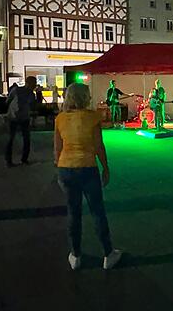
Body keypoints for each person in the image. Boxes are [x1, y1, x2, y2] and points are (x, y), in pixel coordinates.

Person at [54, 83, 122, 270]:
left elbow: (57, 149)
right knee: (97, 211)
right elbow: (99, 146)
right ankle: (108, 254)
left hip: (66, 168)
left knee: (73, 213)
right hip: (87, 168)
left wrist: (59, 171)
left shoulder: (60, 119)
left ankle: (75, 255)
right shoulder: (93, 117)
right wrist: (106, 168)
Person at [5, 76, 37, 167]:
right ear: (28, 83)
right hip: (17, 117)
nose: (35, 85)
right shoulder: (21, 91)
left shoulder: (25, 92)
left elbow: (8, 101)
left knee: (15, 139)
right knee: (19, 139)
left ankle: (15, 160)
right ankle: (20, 160)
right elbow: (8, 100)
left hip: (18, 117)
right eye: (33, 83)